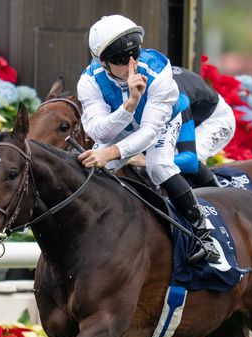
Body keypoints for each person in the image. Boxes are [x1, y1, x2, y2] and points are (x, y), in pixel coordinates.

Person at [77, 14, 221, 263]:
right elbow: (101, 132)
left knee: (159, 167)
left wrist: (110, 153)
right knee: (95, 172)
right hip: (123, 124)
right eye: (122, 59)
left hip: (162, 123)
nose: (132, 64)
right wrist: (130, 104)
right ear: (102, 62)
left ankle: (204, 235)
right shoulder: (89, 82)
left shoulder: (158, 70)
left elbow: (149, 132)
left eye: (136, 52)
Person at [170, 65, 236, 188]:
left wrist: (145, 162)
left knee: (182, 161)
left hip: (215, 119)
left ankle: (219, 198)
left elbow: (190, 161)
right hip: (190, 113)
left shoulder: (175, 98)